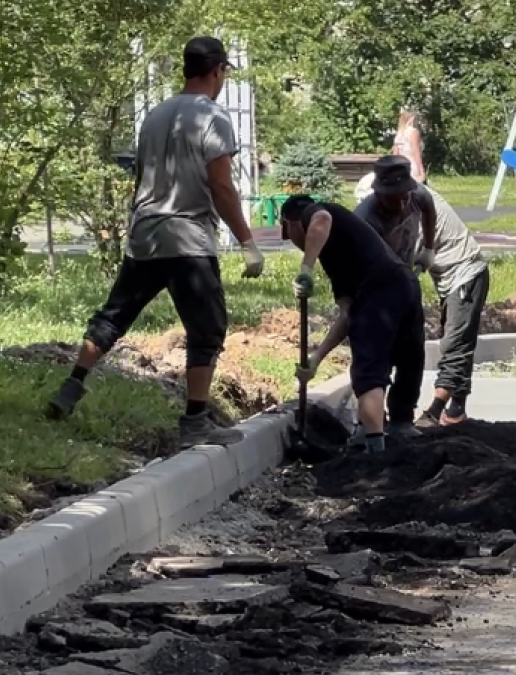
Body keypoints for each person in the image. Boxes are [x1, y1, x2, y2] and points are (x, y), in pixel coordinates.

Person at [45, 36, 266, 447]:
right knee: (208, 330)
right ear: (218, 71)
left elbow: (142, 176)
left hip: (145, 235)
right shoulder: (213, 118)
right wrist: (248, 243)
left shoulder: (155, 115)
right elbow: (220, 185)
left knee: (113, 317)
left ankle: (72, 386)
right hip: (187, 238)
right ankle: (196, 421)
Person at [280, 193, 425, 452]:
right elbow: (347, 316)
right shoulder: (339, 255)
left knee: (368, 371)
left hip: (381, 289)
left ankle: (375, 452)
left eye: (288, 235)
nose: (295, 243)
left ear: (290, 223)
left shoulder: (316, 213)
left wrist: (306, 269)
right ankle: (397, 429)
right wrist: (316, 359)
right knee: (407, 356)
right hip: (404, 284)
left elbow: (321, 220)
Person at [354, 155, 491, 427]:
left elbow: (424, 213)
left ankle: (437, 411)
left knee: (452, 343)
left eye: (404, 196)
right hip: (422, 279)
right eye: (394, 198)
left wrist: (428, 249)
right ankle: (450, 412)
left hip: (464, 271)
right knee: (445, 341)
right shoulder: (367, 219)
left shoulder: (416, 196)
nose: (401, 203)